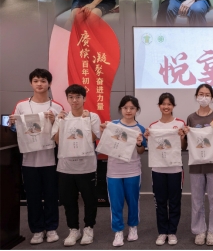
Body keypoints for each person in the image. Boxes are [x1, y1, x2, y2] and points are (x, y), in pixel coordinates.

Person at [9, 69, 64, 245]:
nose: (39, 84)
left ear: (49, 84)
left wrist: (54, 120)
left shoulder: (57, 107)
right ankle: (37, 230)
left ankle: (52, 228)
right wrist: (12, 123)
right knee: (32, 197)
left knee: (51, 195)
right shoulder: (21, 105)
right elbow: (14, 129)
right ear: (31, 83)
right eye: (36, 81)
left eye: (43, 81)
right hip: (29, 160)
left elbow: (63, 132)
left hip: (50, 159)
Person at [51, 84, 101, 246]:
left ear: (84, 98)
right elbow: (57, 140)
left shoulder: (92, 116)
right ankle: (74, 229)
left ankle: (88, 228)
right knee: (68, 200)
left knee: (89, 199)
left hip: (87, 166)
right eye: (71, 97)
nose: (74, 100)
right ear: (67, 99)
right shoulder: (62, 117)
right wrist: (60, 122)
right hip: (66, 167)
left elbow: (93, 138)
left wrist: (86, 121)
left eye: (78, 97)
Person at [182, 84, 213, 246]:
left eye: (207, 94)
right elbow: (188, 142)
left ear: (212, 97)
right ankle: (199, 230)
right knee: (197, 200)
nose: (204, 97)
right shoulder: (191, 117)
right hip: (196, 165)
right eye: (201, 94)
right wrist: (185, 134)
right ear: (196, 96)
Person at [101, 96, 146, 247]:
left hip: (132, 170)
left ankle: (133, 227)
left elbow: (141, 151)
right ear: (121, 109)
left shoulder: (140, 129)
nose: (128, 111)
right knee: (116, 203)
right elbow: (106, 144)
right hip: (114, 171)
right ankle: (118, 231)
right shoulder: (112, 125)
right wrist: (103, 131)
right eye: (125, 107)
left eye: (132, 108)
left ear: (137, 110)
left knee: (133, 201)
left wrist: (139, 144)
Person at [145, 93, 186, 246]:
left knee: (175, 202)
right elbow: (151, 146)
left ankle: (172, 232)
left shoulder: (180, 123)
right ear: (159, 106)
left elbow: (183, 147)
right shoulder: (153, 126)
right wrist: (147, 136)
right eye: (163, 104)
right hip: (158, 169)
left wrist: (182, 137)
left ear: (173, 106)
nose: (166, 107)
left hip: (175, 169)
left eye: (169, 104)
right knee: (160, 202)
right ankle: (162, 232)